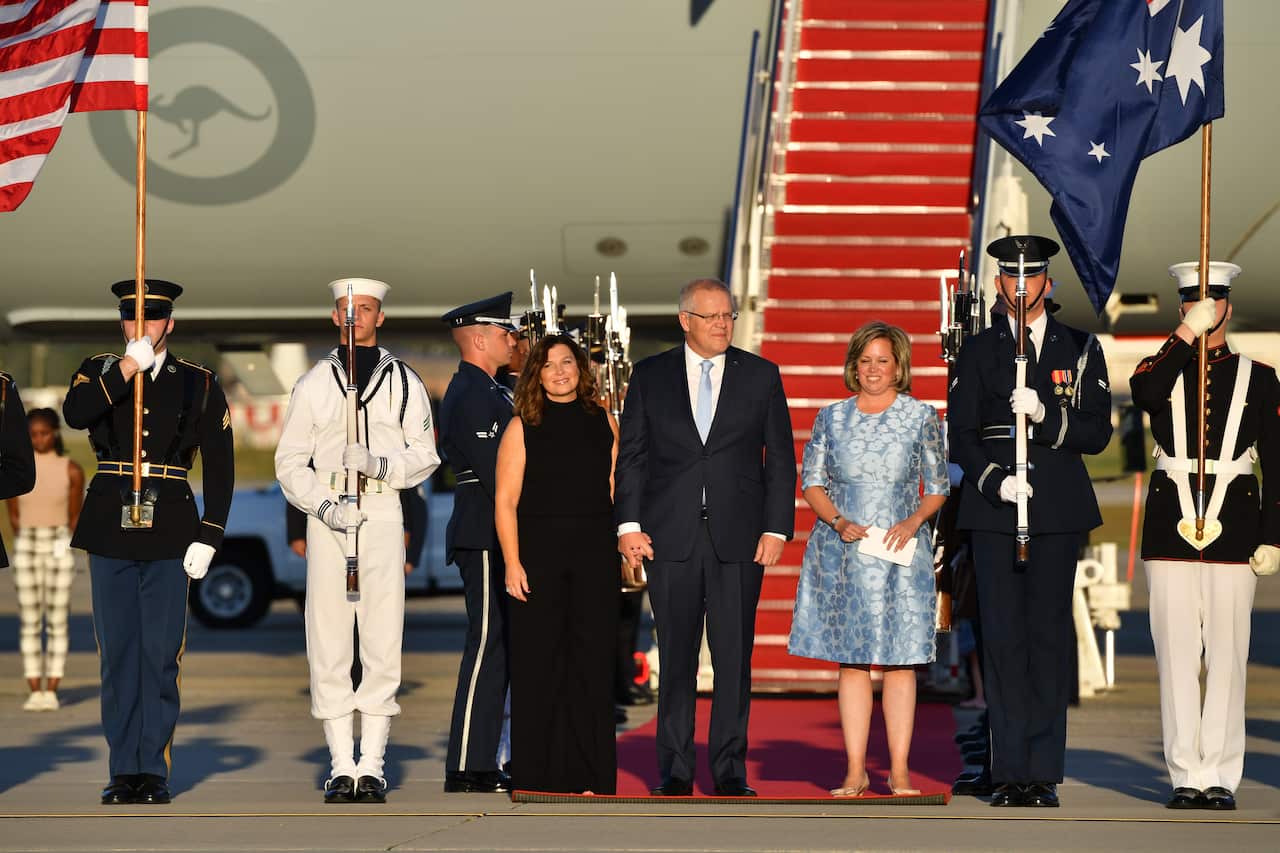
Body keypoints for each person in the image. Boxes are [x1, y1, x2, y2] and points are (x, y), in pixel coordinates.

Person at [947, 236, 1112, 808]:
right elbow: (961, 435)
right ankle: (1009, 771)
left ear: (1048, 283)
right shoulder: (978, 351)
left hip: (1057, 509)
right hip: (997, 509)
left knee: (1047, 639)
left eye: (1032, 277)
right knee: (1002, 639)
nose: (1022, 287)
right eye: (1012, 278)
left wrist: (1044, 416)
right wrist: (994, 480)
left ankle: (1041, 773)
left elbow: (1097, 432)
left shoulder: (1080, 347)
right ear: (998, 285)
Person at [616, 277, 796, 797]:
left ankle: (729, 770)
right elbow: (633, 456)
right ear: (685, 320)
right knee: (675, 658)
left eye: (728, 316)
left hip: (739, 538)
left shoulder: (761, 375)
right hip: (668, 537)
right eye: (711, 316)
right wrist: (628, 526)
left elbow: (780, 458)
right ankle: (674, 770)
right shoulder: (650, 375)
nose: (722, 324)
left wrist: (776, 527)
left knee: (733, 659)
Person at [62, 278, 235, 805]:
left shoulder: (198, 382)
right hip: (109, 524)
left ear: (170, 323)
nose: (141, 326)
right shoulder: (98, 370)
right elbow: (75, 414)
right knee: (117, 655)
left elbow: (221, 463)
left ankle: (152, 770)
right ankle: (123, 770)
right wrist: (126, 370)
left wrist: (211, 532)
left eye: (152, 318)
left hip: (171, 528)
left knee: (160, 655)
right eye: (132, 317)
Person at [276, 278, 440, 805]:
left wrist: (379, 464)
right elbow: (289, 462)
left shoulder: (404, 380)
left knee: (381, 636)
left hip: (382, 509)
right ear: (334, 316)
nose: (355, 318)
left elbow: (426, 454)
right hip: (329, 514)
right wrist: (322, 507)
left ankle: (372, 764)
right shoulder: (313, 383)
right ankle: (340, 765)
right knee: (328, 637)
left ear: (379, 317)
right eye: (347, 310)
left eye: (365, 309)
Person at [1130, 261, 1280, 811]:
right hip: (1171, 526)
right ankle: (1184, 775)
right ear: (1182, 308)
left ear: (1228, 307)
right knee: (1175, 657)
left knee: (1227, 657)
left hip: (1234, 526)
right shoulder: (1161, 365)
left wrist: (1274, 535)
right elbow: (1146, 393)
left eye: (1213, 302)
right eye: (1194, 302)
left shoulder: (1259, 377)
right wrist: (1185, 334)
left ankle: (1219, 773)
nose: (1206, 310)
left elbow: (1277, 464)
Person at [787, 322, 948, 796]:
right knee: (853, 662)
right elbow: (811, 481)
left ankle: (899, 771)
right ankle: (855, 770)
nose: (874, 370)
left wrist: (913, 522)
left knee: (901, 661)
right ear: (853, 366)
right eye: (865, 361)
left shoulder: (920, 416)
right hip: (845, 552)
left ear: (899, 367)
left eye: (883, 361)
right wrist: (837, 521)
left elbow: (938, 486)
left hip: (900, 552)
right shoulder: (831, 417)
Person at [495, 334, 620, 793]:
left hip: (594, 557)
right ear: (537, 375)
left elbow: (613, 487)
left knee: (592, 667)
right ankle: (537, 776)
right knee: (539, 667)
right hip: (538, 559)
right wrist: (512, 563)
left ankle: (591, 777)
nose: (560, 372)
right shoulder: (522, 426)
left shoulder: (604, 420)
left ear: (580, 369)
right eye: (548, 365)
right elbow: (505, 502)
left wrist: (621, 545)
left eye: (567, 362)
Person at [439, 292, 519, 794]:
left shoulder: (494, 390)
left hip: (494, 529)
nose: (513, 340)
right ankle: (468, 764)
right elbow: (497, 473)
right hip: (484, 531)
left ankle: (482, 758)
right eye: (506, 333)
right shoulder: (471, 393)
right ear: (481, 338)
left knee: (499, 648)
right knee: (486, 642)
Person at [7, 409, 84, 711]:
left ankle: (51, 688)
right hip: (26, 542)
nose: (39, 439)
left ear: (55, 433)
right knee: (29, 620)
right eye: (33, 435)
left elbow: (74, 516)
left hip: (58, 542)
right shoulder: (17, 470)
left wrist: (62, 543)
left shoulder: (71, 470)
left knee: (57, 620)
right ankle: (33, 687)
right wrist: (25, 538)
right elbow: (13, 514)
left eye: (44, 433)